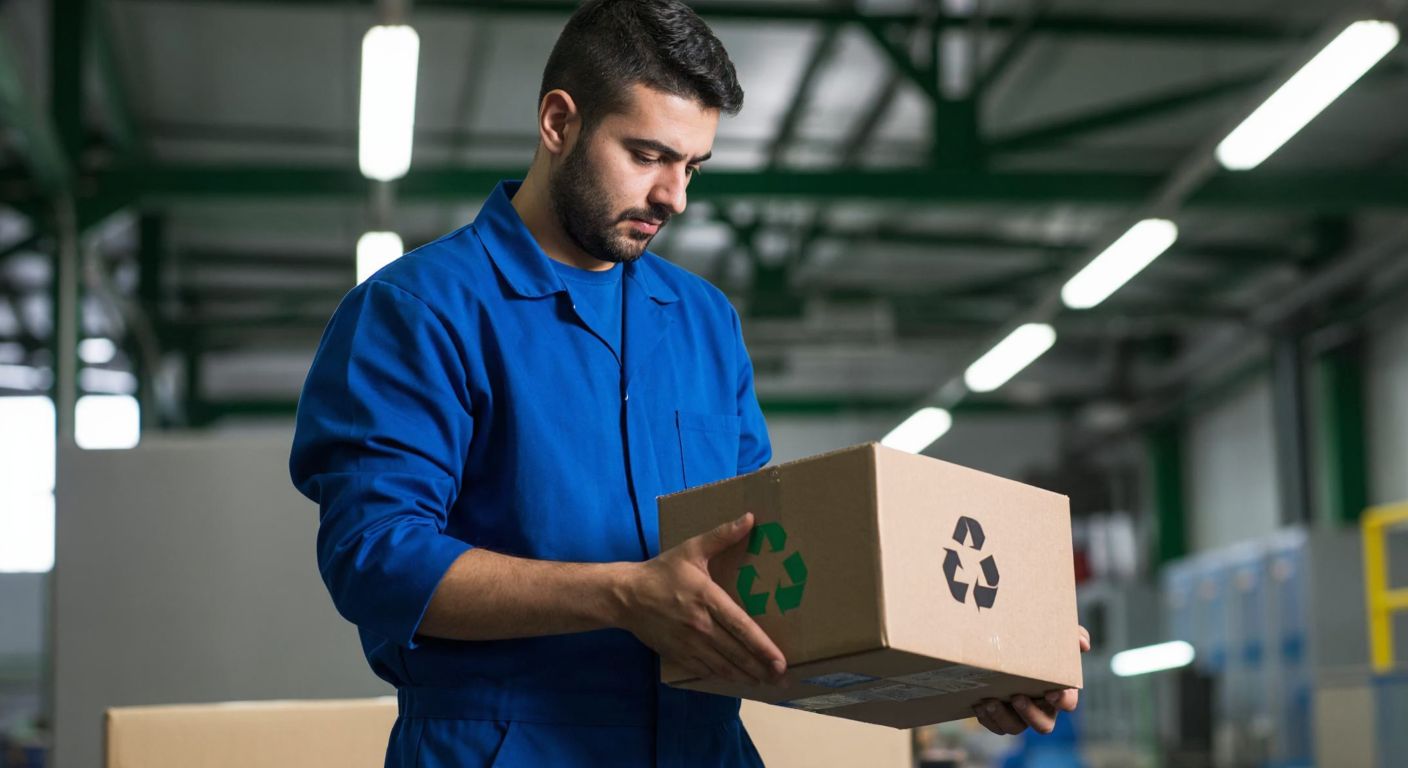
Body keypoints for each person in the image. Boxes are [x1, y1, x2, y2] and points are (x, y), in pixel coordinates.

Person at [289, 1, 1086, 765]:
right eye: (647, 156)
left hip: (701, 750)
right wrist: (622, 596)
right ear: (558, 122)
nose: (674, 196)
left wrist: (967, 668)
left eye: (692, 166)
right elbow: (375, 557)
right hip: (506, 746)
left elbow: (771, 578)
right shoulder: (420, 310)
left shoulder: (702, 322)